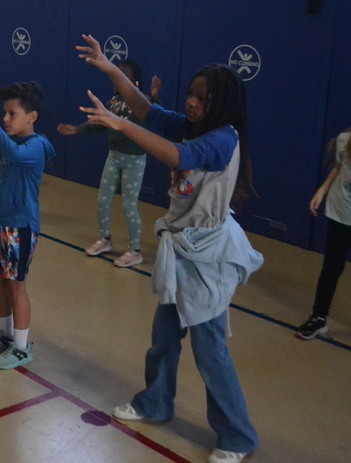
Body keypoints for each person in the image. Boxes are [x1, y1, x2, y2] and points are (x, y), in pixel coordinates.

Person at [76, 34, 263, 463]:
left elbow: (180, 156)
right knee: (164, 336)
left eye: (203, 98)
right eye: (191, 95)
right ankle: (156, 401)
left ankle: (237, 435)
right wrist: (110, 68)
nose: (193, 103)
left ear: (223, 104)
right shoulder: (192, 125)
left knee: (209, 348)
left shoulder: (222, 139)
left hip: (208, 256)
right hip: (182, 250)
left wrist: (122, 126)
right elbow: (145, 108)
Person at [0, 82, 55, 370]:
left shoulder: (35, 146)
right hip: (0, 223)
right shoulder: (15, 140)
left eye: (12, 114)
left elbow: (11, 153)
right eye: (4, 114)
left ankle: (21, 347)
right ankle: (7, 336)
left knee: (16, 286)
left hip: (20, 228)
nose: (6, 119)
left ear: (31, 117)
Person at [57, 59, 149, 268]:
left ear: (134, 81)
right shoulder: (114, 102)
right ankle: (105, 239)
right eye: (115, 75)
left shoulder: (141, 103)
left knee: (129, 206)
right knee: (103, 200)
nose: (117, 79)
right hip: (114, 156)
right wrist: (77, 129)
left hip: (134, 160)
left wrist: (156, 96)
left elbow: (151, 117)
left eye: (123, 76)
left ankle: (135, 251)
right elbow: (98, 124)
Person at [297, 88, 351, 340]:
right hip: (340, 214)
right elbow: (340, 168)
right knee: (331, 269)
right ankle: (318, 318)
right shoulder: (345, 138)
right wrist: (322, 191)